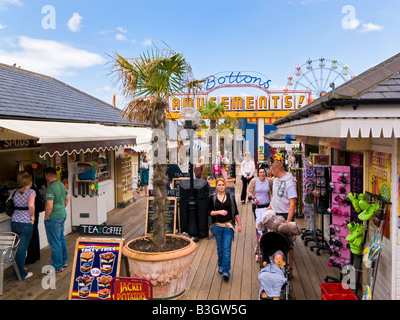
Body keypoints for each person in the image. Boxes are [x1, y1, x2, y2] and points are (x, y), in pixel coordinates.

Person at [208, 178, 242, 280]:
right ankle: (221, 265)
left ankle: (226, 271)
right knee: (220, 249)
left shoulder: (230, 197)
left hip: (228, 226)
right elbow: (209, 212)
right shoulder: (212, 198)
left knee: (227, 249)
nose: (221, 187)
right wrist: (219, 212)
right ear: (216, 187)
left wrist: (239, 224)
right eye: (219, 185)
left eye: (223, 185)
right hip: (217, 226)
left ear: (225, 186)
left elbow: (235, 212)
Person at [268, 161, 298, 272]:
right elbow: (275, 196)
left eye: (272, 171)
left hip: (285, 214)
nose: (271, 173)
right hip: (275, 213)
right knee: (275, 240)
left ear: (277, 171)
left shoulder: (290, 183)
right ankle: (277, 265)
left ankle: (289, 268)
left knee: (287, 243)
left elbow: (292, 203)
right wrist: (270, 206)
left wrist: (288, 221)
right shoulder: (275, 180)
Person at [6, 172, 35, 279]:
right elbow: (31, 205)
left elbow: (7, 202)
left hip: (14, 222)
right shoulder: (31, 192)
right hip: (26, 223)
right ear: (30, 182)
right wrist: (32, 216)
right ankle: (21, 273)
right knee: (23, 248)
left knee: (17, 247)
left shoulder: (14, 192)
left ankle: (17, 269)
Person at [15, 171, 45, 265]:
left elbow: (31, 205)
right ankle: (35, 255)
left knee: (26, 241)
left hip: (24, 217)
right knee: (34, 234)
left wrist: (31, 216)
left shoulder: (19, 191)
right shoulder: (33, 188)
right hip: (32, 214)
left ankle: (30, 258)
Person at [44, 167, 70, 273]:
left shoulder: (50, 188)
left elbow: (49, 206)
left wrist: (46, 216)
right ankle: (64, 261)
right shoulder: (61, 184)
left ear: (48, 176)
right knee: (61, 238)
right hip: (62, 214)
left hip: (54, 217)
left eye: (45, 175)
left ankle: (57, 266)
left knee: (54, 242)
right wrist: (62, 207)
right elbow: (67, 197)